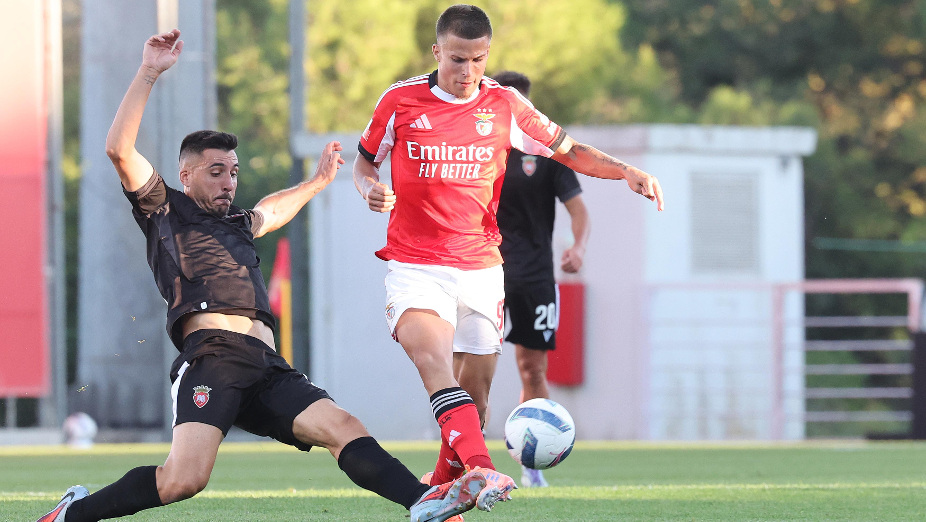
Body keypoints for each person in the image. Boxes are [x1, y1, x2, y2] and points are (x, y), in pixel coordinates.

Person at [36, 29, 488, 522]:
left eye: (232, 171)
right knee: (183, 480)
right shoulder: (166, 209)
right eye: (215, 172)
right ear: (185, 175)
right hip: (212, 359)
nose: (228, 181)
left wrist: (316, 184)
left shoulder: (236, 225)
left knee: (343, 425)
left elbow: (270, 211)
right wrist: (148, 72)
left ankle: (426, 504)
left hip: (266, 365)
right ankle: (73, 515)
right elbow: (119, 150)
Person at [353, 2, 664, 511]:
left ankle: (439, 494)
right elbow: (366, 161)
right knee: (434, 362)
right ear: (436, 52)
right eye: (457, 59)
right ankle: (484, 469)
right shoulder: (400, 100)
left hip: (481, 268)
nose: (468, 72)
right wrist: (369, 189)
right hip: (415, 265)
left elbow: (568, 149)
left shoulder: (504, 104)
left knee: (474, 398)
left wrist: (624, 170)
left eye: (478, 60)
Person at [492, 70, 590, 488]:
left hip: (534, 276)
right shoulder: (477, 149)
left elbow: (579, 211)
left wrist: (578, 247)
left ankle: (531, 460)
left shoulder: (548, 154)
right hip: (482, 272)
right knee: (472, 367)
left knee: (532, 369)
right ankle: (463, 458)